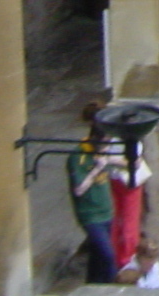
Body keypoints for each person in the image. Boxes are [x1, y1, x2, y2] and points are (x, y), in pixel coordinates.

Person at [86, 99, 148, 275]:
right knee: (121, 221)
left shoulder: (120, 137)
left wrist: (108, 159)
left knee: (123, 222)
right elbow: (132, 162)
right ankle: (121, 259)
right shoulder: (116, 137)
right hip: (120, 181)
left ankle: (122, 259)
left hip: (121, 181)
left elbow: (132, 161)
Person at [68, 116, 117, 284]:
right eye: (104, 144)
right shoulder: (78, 156)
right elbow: (79, 188)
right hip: (90, 215)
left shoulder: (102, 153)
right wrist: (97, 169)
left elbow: (124, 161)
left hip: (106, 212)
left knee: (97, 258)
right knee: (107, 255)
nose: (106, 148)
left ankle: (92, 286)